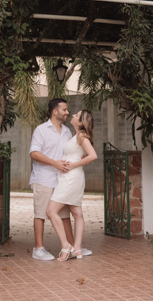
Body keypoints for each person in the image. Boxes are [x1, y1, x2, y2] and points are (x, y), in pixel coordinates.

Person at [28, 98, 92, 260]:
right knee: (41, 214)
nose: (67, 112)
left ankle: (73, 247)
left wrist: (80, 156)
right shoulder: (41, 130)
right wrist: (54, 163)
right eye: (64, 109)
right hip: (43, 178)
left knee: (65, 215)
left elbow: (72, 150)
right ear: (55, 111)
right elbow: (34, 153)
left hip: (62, 180)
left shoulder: (67, 132)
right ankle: (39, 249)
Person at [46, 109, 97, 261]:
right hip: (70, 177)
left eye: (76, 115)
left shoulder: (81, 136)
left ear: (80, 122)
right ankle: (77, 249)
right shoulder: (77, 136)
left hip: (71, 178)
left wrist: (74, 165)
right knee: (77, 213)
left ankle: (66, 246)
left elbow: (93, 155)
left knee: (51, 211)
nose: (73, 116)